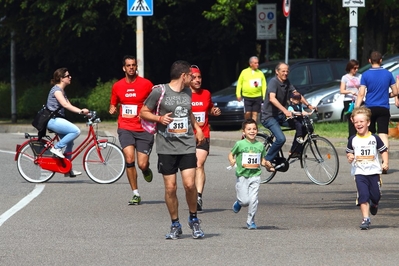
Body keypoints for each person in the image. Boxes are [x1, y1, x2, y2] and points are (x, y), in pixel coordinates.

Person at [140, 60, 205, 240]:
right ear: (183, 76)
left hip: (186, 145)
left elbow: (188, 112)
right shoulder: (159, 91)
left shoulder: (187, 92)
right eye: (190, 76)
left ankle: (194, 219)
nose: (193, 78)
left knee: (189, 184)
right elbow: (143, 112)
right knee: (170, 188)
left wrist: (198, 128)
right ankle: (175, 223)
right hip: (166, 146)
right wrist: (159, 119)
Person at [109, 55, 154, 205]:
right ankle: (135, 193)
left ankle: (146, 169)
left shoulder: (146, 84)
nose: (131, 68)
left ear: (136, 67)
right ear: (124, 68)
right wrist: (112, 108)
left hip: (143, 128)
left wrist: (151, 115)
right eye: (128, 65)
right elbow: (113, 104)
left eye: (133, 65)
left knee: (142, 164)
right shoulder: (117, 86)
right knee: (129, 159)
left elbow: (155, 102)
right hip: (125, 127)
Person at [260, 62, 314, 171]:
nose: (285, 73)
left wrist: (308, 105)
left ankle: (295, 151)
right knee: (280, 139)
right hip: (268, 116)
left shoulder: (287, 82)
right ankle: (266, 159)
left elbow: (296, 94)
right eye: (283, 71)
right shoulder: (273, 82)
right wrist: (285, 110)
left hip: (280, 116)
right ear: (277, 72)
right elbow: (272, 98)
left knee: (303, 126)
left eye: (287, 71)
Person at [346, 106, 388, 230]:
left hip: (373, 171)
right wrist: (350, 156)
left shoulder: (374, 138)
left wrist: (385, 162)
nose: (359, 124)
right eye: (356, 122)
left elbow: (384, 151)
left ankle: (374, 203)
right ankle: (366, 219)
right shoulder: (353, 139)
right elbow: (349, 152)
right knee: (363, 195)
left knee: (375, 195)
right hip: (359, 172)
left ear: (368, 122)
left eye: (361, 121)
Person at [355, 51, 397, 174]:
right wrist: (387, 95)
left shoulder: (365, 75)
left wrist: (357, 109)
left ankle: (373, 161)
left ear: (369, 61)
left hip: (370, 108)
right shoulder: (388, 74)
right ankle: (385, 162)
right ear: (380, 60)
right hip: (384, 108)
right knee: (383, 134)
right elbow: (395, 92)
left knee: (370, 134)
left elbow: (361, 93)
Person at [46, 68, 90, 177]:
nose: (70, 77)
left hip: (56, 119)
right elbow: (65, 105)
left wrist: (84, 113)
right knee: (76, 131)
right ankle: (56, 148)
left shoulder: (62, 91)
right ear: (61, 78)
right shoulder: (56, 90)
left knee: (70, 142)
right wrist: (80, 111)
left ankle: (67, 169)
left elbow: (69, 106)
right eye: (67, 76)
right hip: (52, 120)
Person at [189, 65, 221, 211]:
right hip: (186, 136)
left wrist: (214, 111)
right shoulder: (183, 95)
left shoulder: (206, 93)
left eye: (199, 77)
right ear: (188, 78)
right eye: (194, 77)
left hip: (204, 134)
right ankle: (191, 192)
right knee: (189, 168)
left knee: (199, 164)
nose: (197, 80)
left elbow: (209, 108)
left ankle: (199, 196)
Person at [228, 119, 267, 230]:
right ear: (244, 132)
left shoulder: (260, 145)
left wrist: (267, 165)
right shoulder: (239, 144)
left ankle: (251, 221)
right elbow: (231, 154)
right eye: (249, 129)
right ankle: (239, 203)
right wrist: (231, 160)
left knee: (253, 199)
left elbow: (262, 160)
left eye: (254, 129)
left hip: (255, 176)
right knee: (245, 201)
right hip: (242, 176)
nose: (252, 131)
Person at [236, 56, 267, 121]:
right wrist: (238, 94)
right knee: (247, 113)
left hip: (257, 97)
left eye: (257, 63)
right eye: (255, 63)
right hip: (247, 97)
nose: (257, 64)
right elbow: (239, 84)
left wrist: (264, 96)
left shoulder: (260, 73)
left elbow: (264, 85)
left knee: (255, 113)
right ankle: (247, 125)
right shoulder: (244, 72)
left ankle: (254, 127)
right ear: (251, 64)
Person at [340, 59, 361, 138]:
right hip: (349, 100)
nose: (356, 70)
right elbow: (342, 90)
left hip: (358, 100)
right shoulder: (345, 77)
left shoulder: (360, 76)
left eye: (357, 68)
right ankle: (352, 137)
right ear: (350, 68)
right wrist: (350, 92)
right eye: (354, 68)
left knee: (359, 119)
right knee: (351, 120)